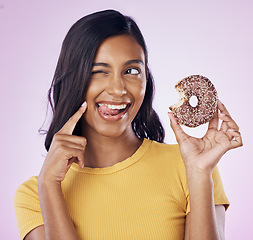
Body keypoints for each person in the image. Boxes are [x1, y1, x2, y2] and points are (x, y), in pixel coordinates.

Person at [14, 9, 242, 240]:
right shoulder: (35, 194)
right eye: (98, 72)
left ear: (146, 79)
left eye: (131, 71)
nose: (118, 89)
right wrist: (49, 186)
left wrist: (199, 174)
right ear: (73, 79)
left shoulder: (190, 166)